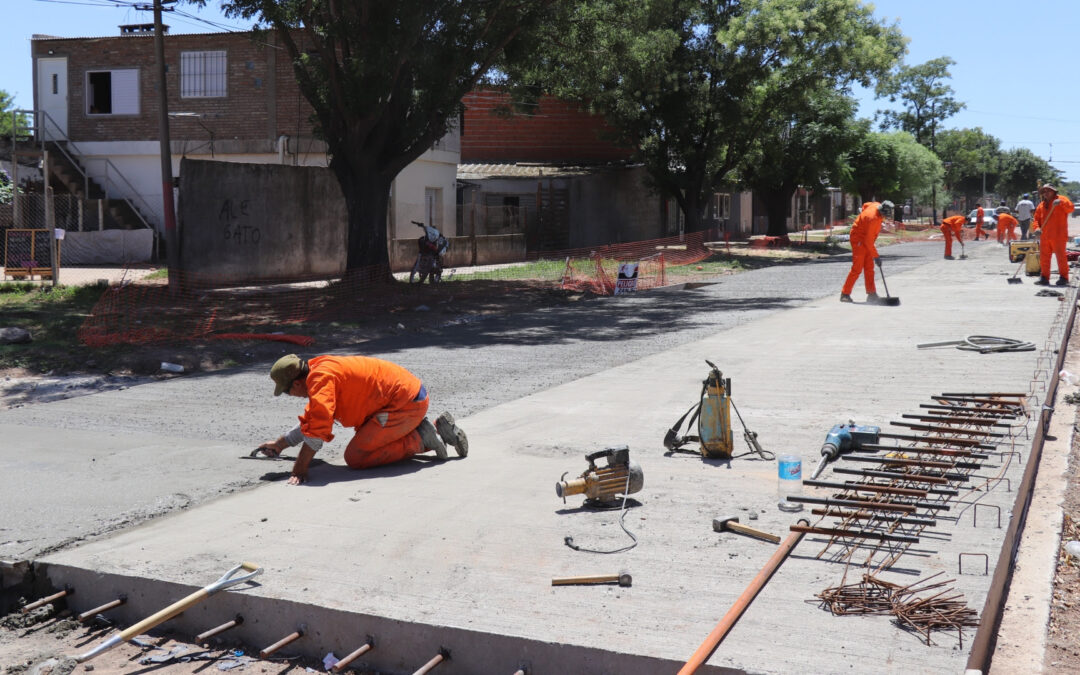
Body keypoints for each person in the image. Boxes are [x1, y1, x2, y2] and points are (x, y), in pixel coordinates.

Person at [257, 354, 469, 485]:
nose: (290, 396)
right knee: (362, 444)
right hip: (408, 398)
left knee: (356, 457)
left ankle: (421, 439)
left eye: (286, 392)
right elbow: (313, 420)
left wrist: (299, 469)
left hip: (405, 406)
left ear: (295, 384)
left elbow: (317, 431)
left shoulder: (321, 380)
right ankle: (428, 430)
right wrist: (280, 444)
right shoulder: (319, 370)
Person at [841, 200, 893, 303]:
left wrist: (863, 219)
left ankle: (871, 294)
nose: (885, 218)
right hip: (858, 238)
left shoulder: (877, 205)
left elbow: (865, 205)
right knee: (857, 267)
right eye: (885, 216)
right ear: (882, 212)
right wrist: (876, 257)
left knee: (869, 267)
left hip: (866, 238)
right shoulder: (873, 219)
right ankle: (845, 294)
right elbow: (868, 241)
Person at [1030, 185, 1075, 286]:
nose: (1046, 193)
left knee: (1061, 257)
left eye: (1048, 191)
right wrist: (1037, 228)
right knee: (1044, 258)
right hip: (1045, 236)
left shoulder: (1061, 199)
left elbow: (1070, 208)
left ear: (1054, 192)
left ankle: (1064, 278)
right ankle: (1044, 278)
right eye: (1044, 192)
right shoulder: (1041, 205)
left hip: (1058, 235)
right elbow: (1036, 219)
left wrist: (1061, 203)